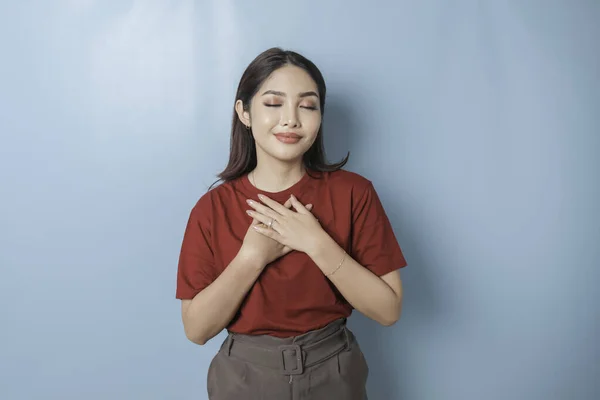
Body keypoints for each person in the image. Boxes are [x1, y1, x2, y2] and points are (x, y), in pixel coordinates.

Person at [176, 47, 407, 400]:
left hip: (335, 372)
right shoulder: (211, 209)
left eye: (308, 105)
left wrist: (316, 243)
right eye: (273, 103)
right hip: (243, 379)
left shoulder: (354, 193)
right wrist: (252, 257)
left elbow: (388, 309)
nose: (291, 119)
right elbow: (196, 329)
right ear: (245, 112)